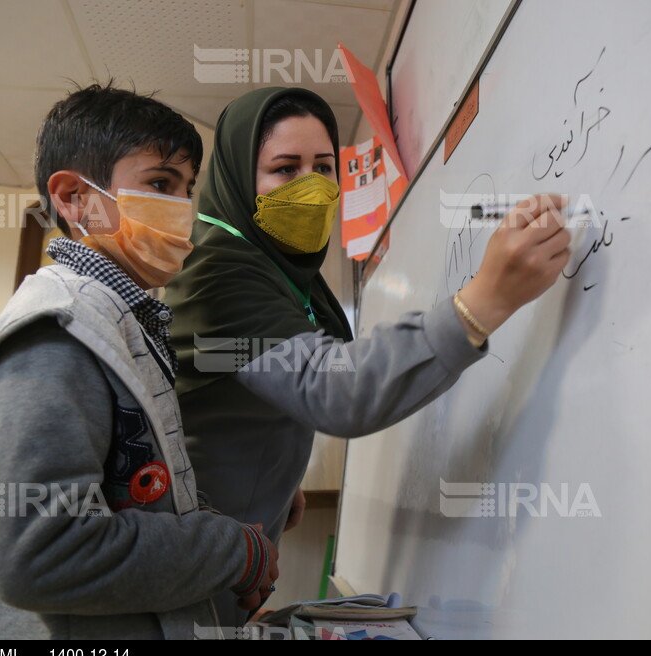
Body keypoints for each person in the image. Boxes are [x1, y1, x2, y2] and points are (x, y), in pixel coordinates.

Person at [164, 87, 571, 625]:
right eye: (285, 170)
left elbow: (243, 381)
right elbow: (333, 389)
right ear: (240, 180)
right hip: (188, 577)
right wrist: (484, 302)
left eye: (323, 167)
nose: (311, 188)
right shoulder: (218, 271)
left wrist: (279, 478)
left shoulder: (278, 273)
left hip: (223, 556)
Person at [0, 84, 278, 640]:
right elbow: (43, 555)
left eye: (186, 189)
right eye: (159, 184)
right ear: (76, 198)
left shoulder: (123, 323)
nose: (182, 210)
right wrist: (233, 551)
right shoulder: (56, 337)